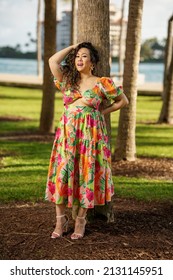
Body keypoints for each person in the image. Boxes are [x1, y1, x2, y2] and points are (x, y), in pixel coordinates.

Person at [45, 42, 129, 240]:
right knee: (62, 174)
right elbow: (52, 61)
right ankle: (60, 219)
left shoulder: (102, 82)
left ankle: (80, 221)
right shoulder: (67, 79)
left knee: (86, 174)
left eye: (84, 56)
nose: (79, 60)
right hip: (67, 133)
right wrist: (74, 46)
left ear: (92, 62)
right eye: (77, 57)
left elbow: (122, 101)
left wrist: (102, 111)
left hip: (91, 135)